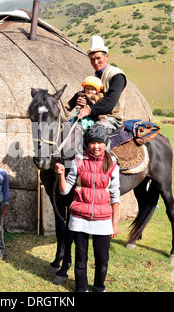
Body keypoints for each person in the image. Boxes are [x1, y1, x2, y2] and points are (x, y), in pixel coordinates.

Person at [55, 124, 120, 292]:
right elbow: (64, 190)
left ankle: (99, 287)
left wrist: (115, 223)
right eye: (92, 142)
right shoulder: (78, 160)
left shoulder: (112, 164)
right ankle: (81, 288)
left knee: (102, 259)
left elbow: (115, 196)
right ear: (87, 143)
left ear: (105, 144)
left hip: (103, 218)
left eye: (100, 142)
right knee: (80, 257)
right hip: (79, 218)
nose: (96, 146)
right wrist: (61, 174)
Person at [68, 35, 128, 138]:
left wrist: (88, 110)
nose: (95, 62)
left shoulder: (117, 75)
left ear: (106, 57)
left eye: (98, 58)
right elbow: (89, 96)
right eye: (92, 59)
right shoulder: (94, 78)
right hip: (93, 116)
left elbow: (110, 101)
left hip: (110, 119)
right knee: (70, 128)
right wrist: (83, 101)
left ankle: (104, 154)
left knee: (95, 133)